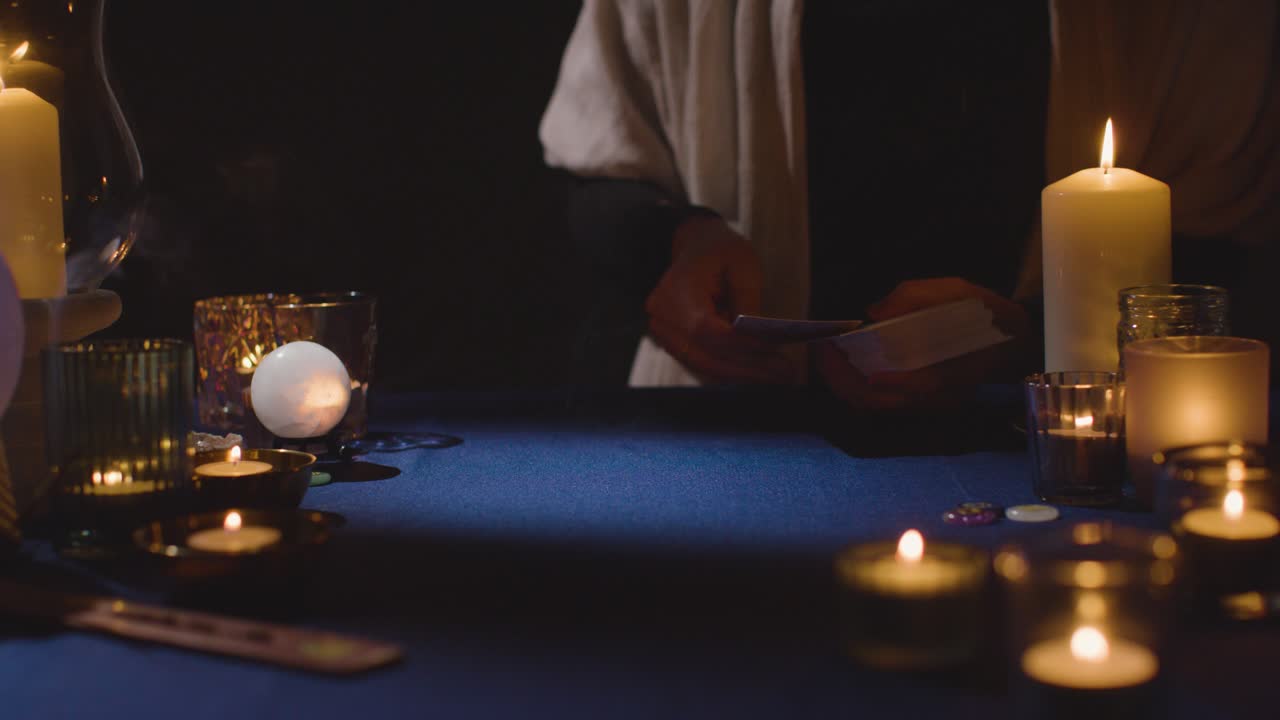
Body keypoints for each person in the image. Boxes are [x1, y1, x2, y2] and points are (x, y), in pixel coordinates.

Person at [540, 0, 1280, 407]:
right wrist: (678, 242)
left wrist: (1031, 340)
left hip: (1031, 445)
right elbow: (600, 157)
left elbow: (1210, 232)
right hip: (738, 428)